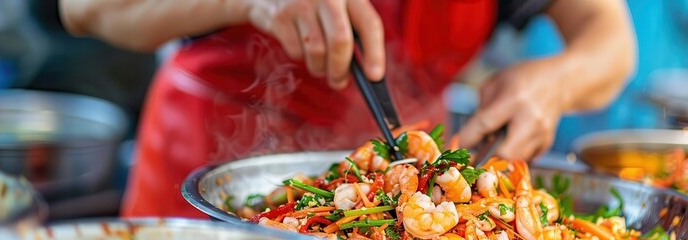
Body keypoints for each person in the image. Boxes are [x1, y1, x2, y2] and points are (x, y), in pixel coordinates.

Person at [60, 0, 636, 217]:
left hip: (409, 153)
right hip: (214, 166)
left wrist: (555, 82)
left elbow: (610, 41)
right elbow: (85, 8)